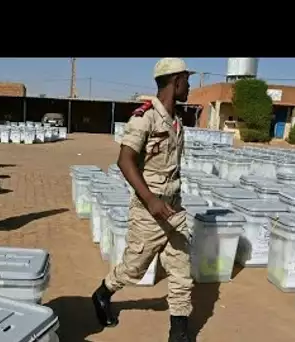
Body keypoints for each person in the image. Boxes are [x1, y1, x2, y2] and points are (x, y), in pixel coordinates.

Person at [91, 58, 194, 342]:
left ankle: (179, 333)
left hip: (174, 208)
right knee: (134, 268)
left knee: (182, 269)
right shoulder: (145, 116)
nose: (190, 86)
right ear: (176, 82)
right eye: (187, 80)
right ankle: (103, 293)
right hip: (150, 211)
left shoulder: (176, 121)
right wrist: (150, 200)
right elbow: (125, 161)